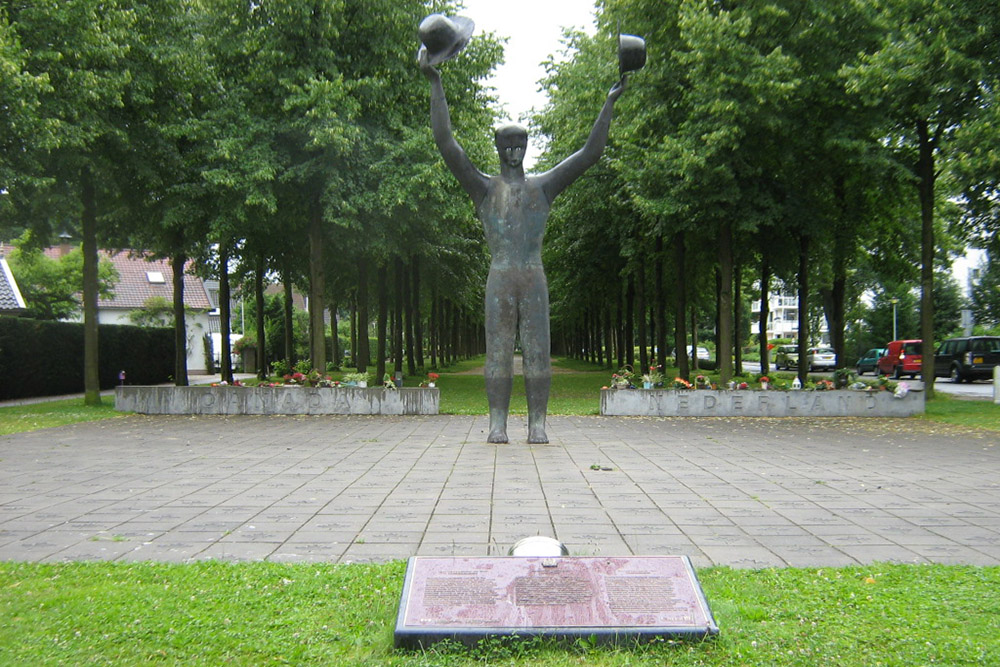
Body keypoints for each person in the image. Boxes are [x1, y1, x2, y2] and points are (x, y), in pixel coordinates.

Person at [418, 18, 626, 444]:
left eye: (519, 147)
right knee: (497, 354)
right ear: (498, 151)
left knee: (537, 353)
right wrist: (434, 82)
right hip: (500, 276)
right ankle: (497, 423)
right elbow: (446, 144)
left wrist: (609, 102)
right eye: (506, 147)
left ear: (526, 149)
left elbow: (590, 154)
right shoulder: (483, 188)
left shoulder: (543, 187)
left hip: (533, 276)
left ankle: (537, 424)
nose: (513, 153)